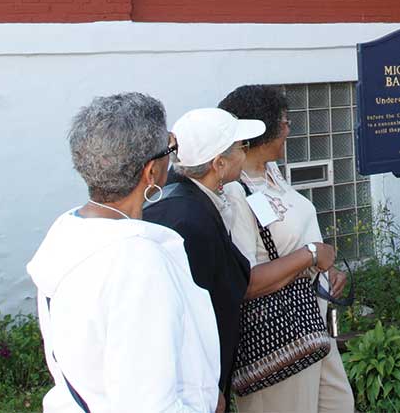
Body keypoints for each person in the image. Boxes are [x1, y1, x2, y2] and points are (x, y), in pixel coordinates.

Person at [27, 93, 222, 413]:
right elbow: (149, 405)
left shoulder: (69, 230)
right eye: (170, 151)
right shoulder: (136, 263)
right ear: (151, 173)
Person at [145, 107, 337, 406]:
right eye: (239, 147)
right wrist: (210, 386)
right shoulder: (189, 219)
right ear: (218, 164)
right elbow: (203, 309)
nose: (244, 153)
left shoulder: (197, 199)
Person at [218, 85, 356, 413]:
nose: (288, 129)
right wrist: (309, 255)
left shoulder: (272, 174)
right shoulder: (235, 193)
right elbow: (244, 279)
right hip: (275, 336)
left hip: (309, 321)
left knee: (339, 404)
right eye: (283, 122)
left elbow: (288, 239)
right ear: (261, 128)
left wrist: (326, 269)